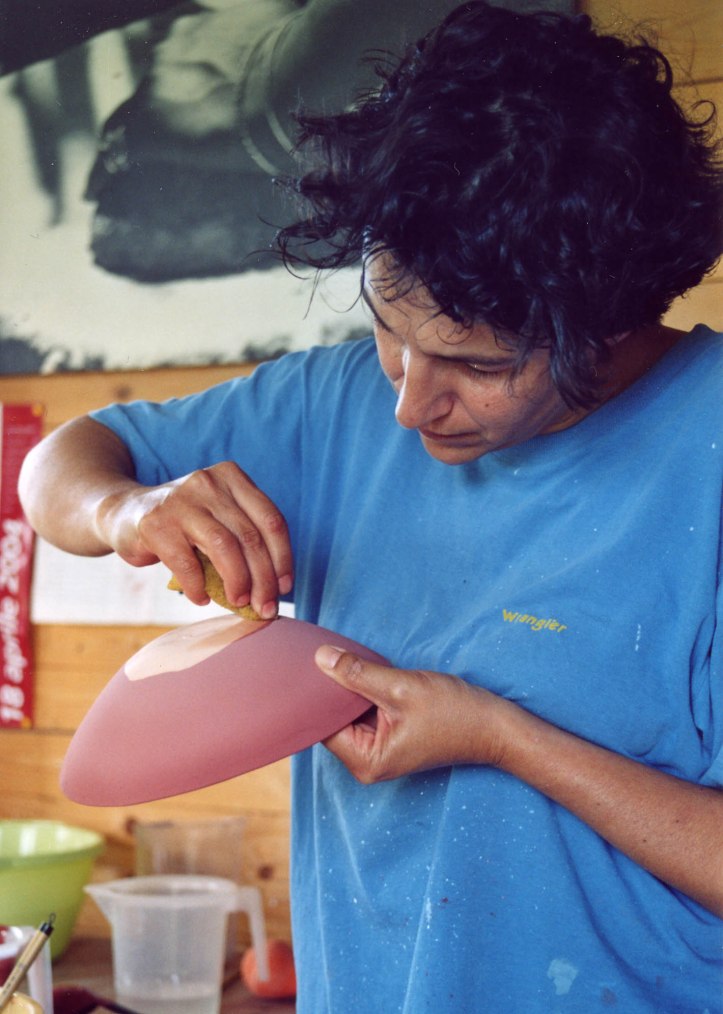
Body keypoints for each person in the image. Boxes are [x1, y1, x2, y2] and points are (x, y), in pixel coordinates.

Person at [19, 3, 723, 1011]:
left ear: (609, 323)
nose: (408, 403)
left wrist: (503, 737)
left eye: (478, 365)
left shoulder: (705, 452)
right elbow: (59, 466)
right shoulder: (329, 405)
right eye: (390, 328)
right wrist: (127, 510)